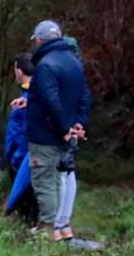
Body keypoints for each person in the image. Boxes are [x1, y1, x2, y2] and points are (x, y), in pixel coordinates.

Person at [25, 19, 90, 241]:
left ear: (40, 40)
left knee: (46, 182)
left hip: (46, 135)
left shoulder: (45, 65)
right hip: (67, 133)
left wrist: (63, 128)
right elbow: (83, 96)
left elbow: (51, 100)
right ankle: (60, 230)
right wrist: (78, 123)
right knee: (62, 179)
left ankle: (48, 230)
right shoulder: (74, 62)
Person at [4, 53, 36, 224]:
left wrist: (15, 159)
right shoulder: (33, 94)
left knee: (27, 208)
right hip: (25, 157)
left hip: (23, 160)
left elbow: (21, 134)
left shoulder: (27, 99)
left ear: (20, 70)